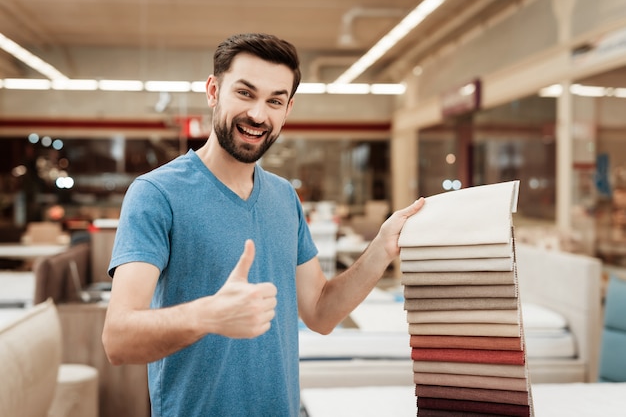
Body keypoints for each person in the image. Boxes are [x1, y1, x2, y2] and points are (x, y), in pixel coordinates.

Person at [101, 32, 425, 417]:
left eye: (274, 101)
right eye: (245, 93)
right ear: (213, 91)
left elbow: (320, 313)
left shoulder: (284, 197)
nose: (258, 114)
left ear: (287, 110)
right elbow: (118, 339)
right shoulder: (156, 193)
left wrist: (382, 247)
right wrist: (209, 314)